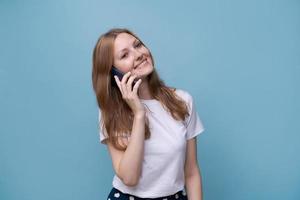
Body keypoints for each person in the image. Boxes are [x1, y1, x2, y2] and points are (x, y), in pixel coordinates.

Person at [92, 28, 205, 200]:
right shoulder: (110, 111)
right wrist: (138, 114)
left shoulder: (183, 101)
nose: (138, 54)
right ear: (112, 73)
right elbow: (129, 178)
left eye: (138, 45)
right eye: (125, 55)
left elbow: (191, 172)